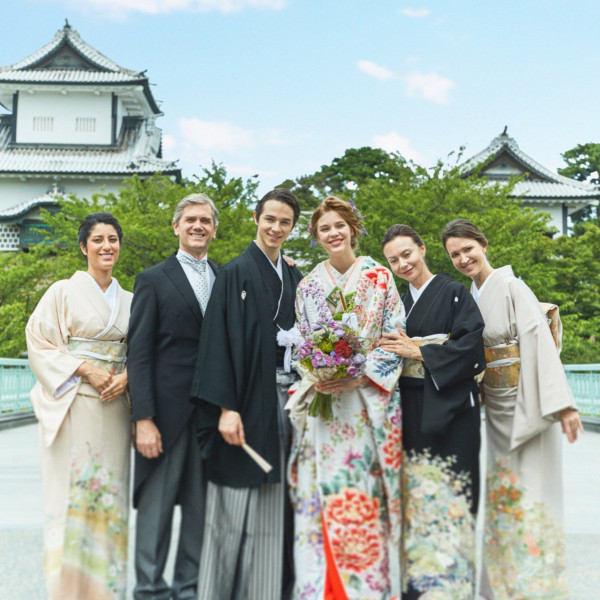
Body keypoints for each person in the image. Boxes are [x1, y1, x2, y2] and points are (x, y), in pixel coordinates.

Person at [442, 218, 583, 600]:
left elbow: (537, 338)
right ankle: (502, 586)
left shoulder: (511, 286)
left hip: (528, 402)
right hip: (497, 410)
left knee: (533, 496)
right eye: (454, 254)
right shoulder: (472, 295)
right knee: (504, 496)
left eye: (467, 249)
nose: (463, 258)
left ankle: (535, 589)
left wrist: (563, 404)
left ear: (483, 244)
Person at [287, 196, 404, 600]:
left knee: (362, 491)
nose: (333, 234)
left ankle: (366, 588)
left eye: (340, 226)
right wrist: (315, 375)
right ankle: (322, 588)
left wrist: (359, 376)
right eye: (324, 229)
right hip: (325, 404)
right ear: (316, 237)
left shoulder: (380, 278)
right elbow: (301, 342)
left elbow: (395, 337)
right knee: (323, 487)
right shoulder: (308, 285)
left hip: (366, 403)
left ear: (353, 228)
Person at [190, 188, 303, 600]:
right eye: (269, 219)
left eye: (285, 222)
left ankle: (267, 591)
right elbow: (216, 342)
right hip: (244, 397)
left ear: (293, 228)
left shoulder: (293, 275)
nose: (276, 228)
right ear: (256, 218)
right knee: (233, 499)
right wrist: (225, 408)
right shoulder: (235, 272)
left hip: (287, 397)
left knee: (276, 495)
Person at [25, 213, 132, 600]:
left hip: (116, 405)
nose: (107, 246)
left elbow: (143, 350)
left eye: (113, 239)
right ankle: (69, 591)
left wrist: (128, 376)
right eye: (98, 239)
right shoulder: (61, 292)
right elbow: (39, 342)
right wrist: (86, 368)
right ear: (83, 247)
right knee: (73, 495)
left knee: (111, 495)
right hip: (74, 402)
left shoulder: (131, 300)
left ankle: (107, 589)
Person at [380, 224, 485, 599]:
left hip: (452, 408)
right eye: (394, 260)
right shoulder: (396, 302)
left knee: (453, 496)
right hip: (410, 409)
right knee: (418, 499)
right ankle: (418, 589)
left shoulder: (453, 292)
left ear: (422, 249)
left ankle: (452, 591)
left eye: (407, 254)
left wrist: (420, 351)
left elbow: (472, 347)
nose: (403, 264)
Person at [127, 193, 219, 600]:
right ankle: (149, 589)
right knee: (156, 509)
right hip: (164, 415)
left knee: (201, 511)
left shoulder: (225, 276)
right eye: (191, 219)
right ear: (176, 227)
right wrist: (142, 418)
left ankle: (189, 588)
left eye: (206, 220)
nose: (198, 226)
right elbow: (140, 353)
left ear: (214, 229)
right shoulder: (152, 279)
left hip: (210, 413)